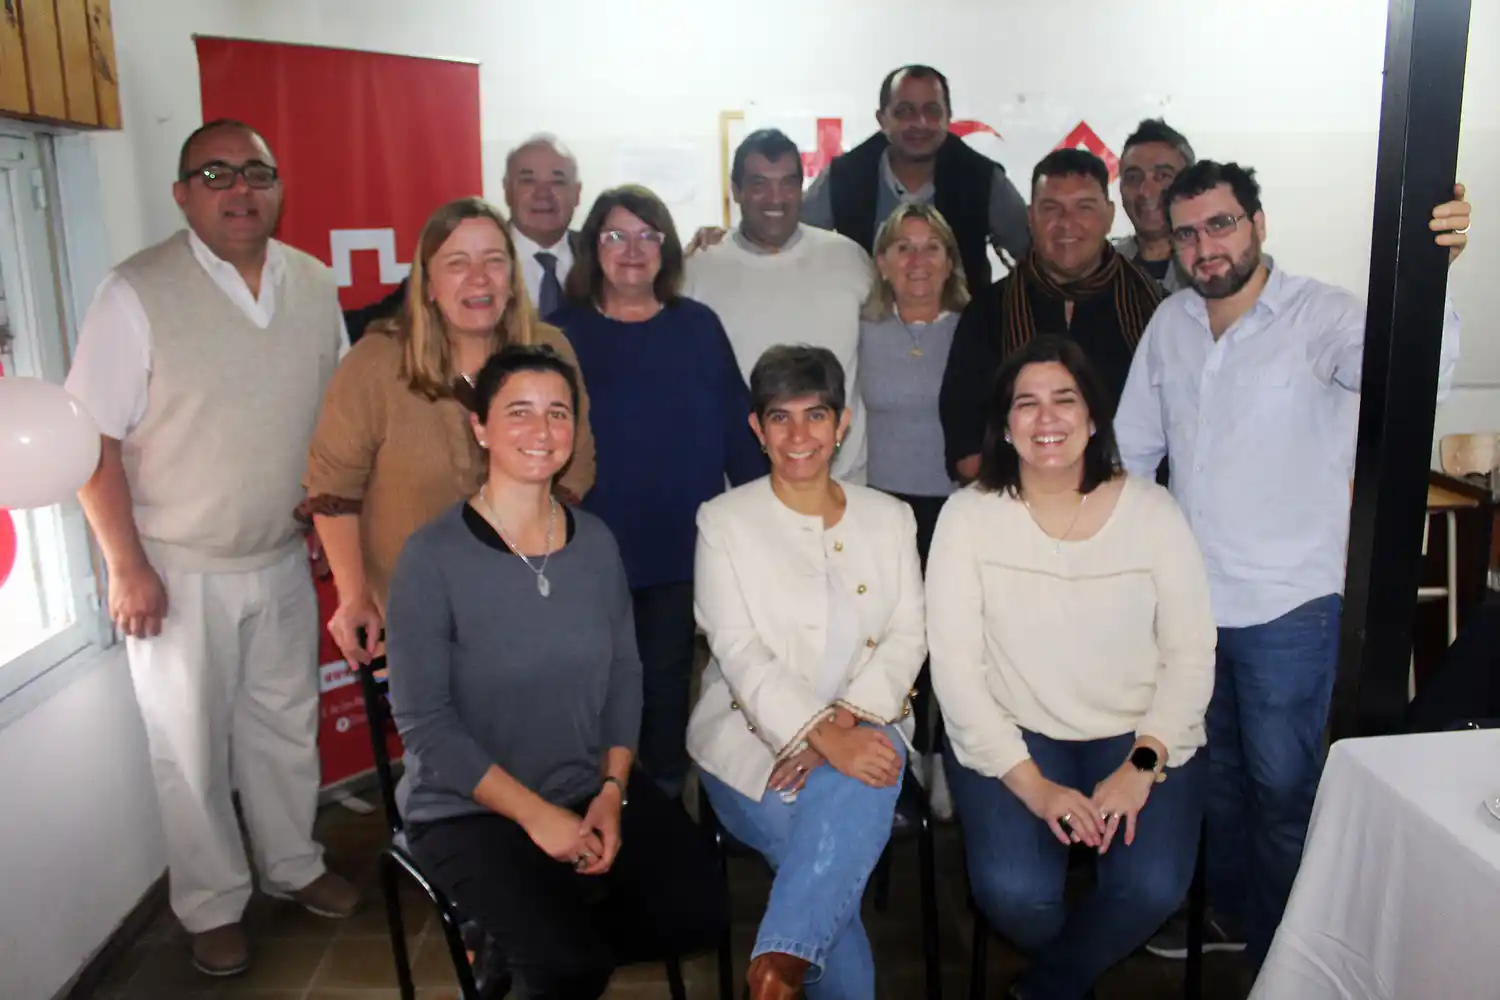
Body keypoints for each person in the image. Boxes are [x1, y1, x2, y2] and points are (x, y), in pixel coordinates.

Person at [1114, 160, 1471, 967]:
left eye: (1222, 224)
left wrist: (1430, 278)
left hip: (1289, 610)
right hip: (1192, 610)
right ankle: (1235, 919)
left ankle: (1289, 956)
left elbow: (1418, 379)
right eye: (1189, 232)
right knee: (1215, 784)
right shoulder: (1170, 324)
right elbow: (1134, 453)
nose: (1206, 247)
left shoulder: (1324, 316)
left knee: (1281, 792)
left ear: (1258, 223)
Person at [66, 119, 359, 977]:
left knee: (284, 726)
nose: (241, 190)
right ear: (183, 194)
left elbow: (335, 420)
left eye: (258, 172)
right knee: (188, 748)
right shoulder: (135, 292)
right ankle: (210, 903)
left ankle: (292, 863)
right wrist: (126, 567)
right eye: (217, 174)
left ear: (278, 186)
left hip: (278, 556)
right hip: (174, 568)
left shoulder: (311, 282)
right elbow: (91, 444)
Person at [388, 344, 728, 1000]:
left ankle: (524, 943)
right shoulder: (430, 558)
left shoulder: (595, 542)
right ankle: (530, 948)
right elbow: (425, 725)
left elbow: (626, 677)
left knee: (700, 911)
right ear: (480, 426)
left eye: (558, 413)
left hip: (583, 785)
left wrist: (609, 791)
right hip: (470, 807)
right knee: (569, 967)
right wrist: (539, 819)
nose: (542, 432)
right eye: (519, 412)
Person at [928, 334, 1217, 1000]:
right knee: (1014, 894)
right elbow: (957, 674)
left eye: (1066, 399)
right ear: (1004, 426)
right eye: (1026, 404)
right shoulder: (968, 518)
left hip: (1142, 731)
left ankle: (1049, 988)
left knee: (1149, 888)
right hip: (1016, 736)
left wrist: (1143, 766)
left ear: (1093, 417)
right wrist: (1035, 788)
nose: (1047, 418)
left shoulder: (1153, 512)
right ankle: (1071, 977)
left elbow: (1190, 655)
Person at [689, 344, 926, 1000]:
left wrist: (840, 728)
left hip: (870, 725)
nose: (800, 436)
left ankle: (775, 971)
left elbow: (909, 635)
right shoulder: (724, 521)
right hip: (750, 738)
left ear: (842, 423)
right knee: (824, 860)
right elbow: (737, 651)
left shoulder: (890, 517)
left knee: (835, 822)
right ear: (756, 430)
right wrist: (817, 735)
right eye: (780, 418)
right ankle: (782, 964)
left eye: (815, 415)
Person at [303, 197, 595, 670]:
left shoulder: (550, 349)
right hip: (419, 620)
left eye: (494, 261)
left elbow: (575, 466)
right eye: (457, 263)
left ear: (511, 278)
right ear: (428, 283)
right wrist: (354, 596)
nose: (479, 278)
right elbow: (333, 489)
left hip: (533, 611)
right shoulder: (375, 364)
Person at [550, 185, 767, 798]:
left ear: (668, 249)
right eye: (616, 235)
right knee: (591, 696)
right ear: (594, 246)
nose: (633, 250)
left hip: (679, 550)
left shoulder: (697, 327)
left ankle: (664, 818)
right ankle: (591, 822)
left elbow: (738, 432)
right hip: (583, 552)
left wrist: (769, 524)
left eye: (649, 235)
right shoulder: (559, 335)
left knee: (666, 693)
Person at [940, 149, 1162, 483]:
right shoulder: (988, 312)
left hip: (1131, 511)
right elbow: (965, 446)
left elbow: (1184, 432)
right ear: (1030, 217)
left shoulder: (1155, 311)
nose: (1067, 223)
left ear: (1109, 215)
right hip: (1014, 513)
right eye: (1051, 208)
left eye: (1084, 207)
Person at [857, 201, 969, 810]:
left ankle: (950, 756)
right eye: (903, 246)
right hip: (884, 512)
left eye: (931, 247)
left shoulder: (973, 327)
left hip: (958, 509)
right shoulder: (861, 328)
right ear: (882, 262)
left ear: (950, 259)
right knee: (894, 643)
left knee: (951, 638)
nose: (917, 259)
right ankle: (901, 760)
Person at [684, 128, 874, 482]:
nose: (776, 198)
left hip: (845, 486)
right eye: (760, 183)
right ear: (737, 191)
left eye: (788, 183)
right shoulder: (700, 269)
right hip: (742, 494)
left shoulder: (848, 259)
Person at [803, 64, 1030, 299]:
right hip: (863, 329)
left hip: (966, 331)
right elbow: (795, 244)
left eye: (931, 111)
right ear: (882, 120)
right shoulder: (844, 177)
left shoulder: (983, 179)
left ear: (948, 117)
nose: (920, 123)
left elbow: (1033, 256)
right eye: (904, 111)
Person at [503, 133, 584, 318]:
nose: (542, 194)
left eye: (557, 182)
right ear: (508, 191)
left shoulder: (599, 254)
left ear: (577, 193)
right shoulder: (483, 256)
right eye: (528, 181)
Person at [1115, 119, 1195, 293]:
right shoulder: (1101, 269)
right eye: (1134, 178)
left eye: (1163, 176)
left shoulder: (1218, 265)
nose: (1146, 191)